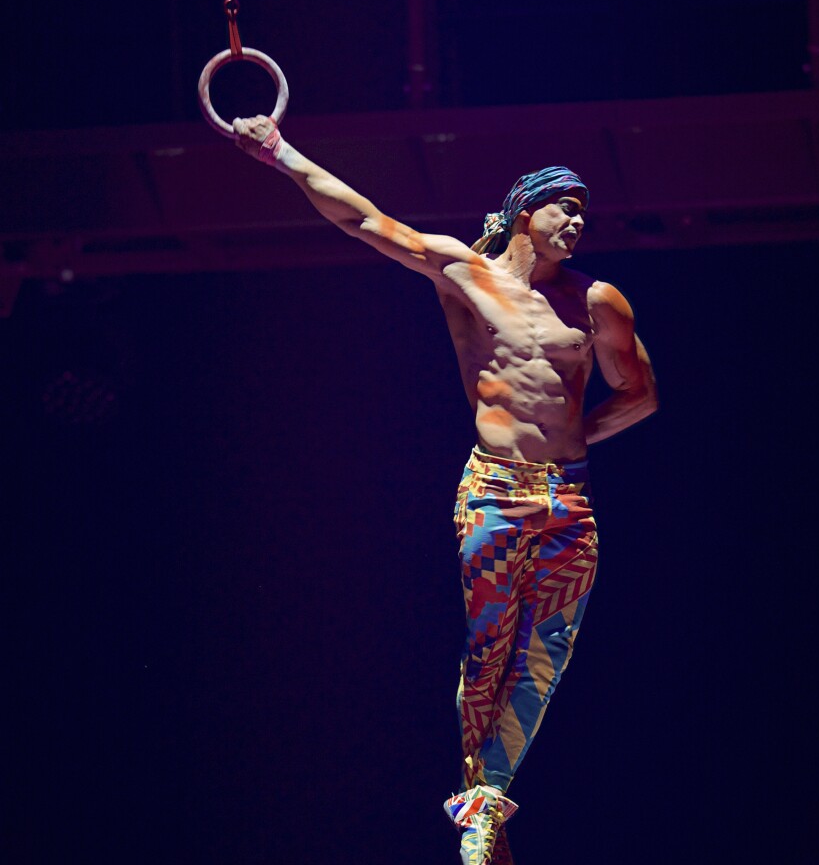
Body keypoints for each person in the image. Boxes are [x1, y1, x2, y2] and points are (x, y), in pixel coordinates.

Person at [233, 115, 658, 865]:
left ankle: (484, 810)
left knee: (545, 657)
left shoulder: (598, 301)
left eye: (587, 212)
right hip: (494, 489)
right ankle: (482, 807)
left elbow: (641, 394)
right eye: (568, 207)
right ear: (528, 208)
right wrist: (277, 150)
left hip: (570, 500)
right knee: (488, 647)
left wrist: (574, 441)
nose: (581, 222)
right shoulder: (466, 273)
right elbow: (362, 218)